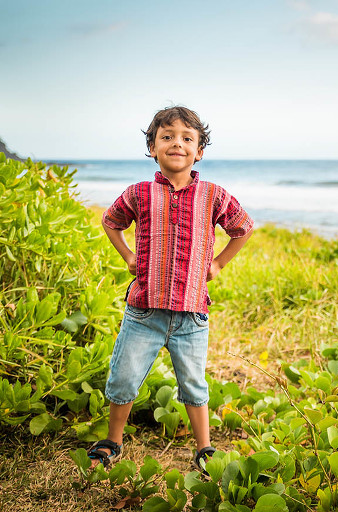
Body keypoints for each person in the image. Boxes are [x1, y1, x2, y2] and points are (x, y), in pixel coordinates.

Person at [86, 106, 253, 473]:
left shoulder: (213, 195)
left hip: (192, 314)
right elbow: (110, 221)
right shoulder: (140, 193)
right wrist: (128, 255)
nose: (177, 143)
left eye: (187, 138)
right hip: (143, 312)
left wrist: (219, 263)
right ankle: (113, 441)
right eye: (167, 137)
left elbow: (242, 227)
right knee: (124, 377)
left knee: (194, 385)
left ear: (199, 151)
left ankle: (205, 449)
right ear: (152, 147)